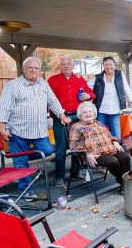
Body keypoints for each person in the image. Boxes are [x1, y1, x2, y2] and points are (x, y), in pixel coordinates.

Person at [0, 57, 70, 200]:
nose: (33, 71)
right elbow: (4, 108)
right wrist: (1, 128)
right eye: (30, 68)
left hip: (39, 130)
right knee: (21, 161)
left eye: (36, 68)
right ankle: (27, 191)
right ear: (24, 69)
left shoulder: (43, 84)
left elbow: (53, 100)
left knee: (48, 150)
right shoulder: (13, 86)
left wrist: (62, 115)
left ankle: (21, 157)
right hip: (18, 131)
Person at [48, 57, 96, 187]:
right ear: (60, 66)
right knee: (61, 149)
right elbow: (46, 98)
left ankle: (75, 172)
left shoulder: (80, 80)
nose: (66, 66)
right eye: (63, 64)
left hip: (76, 118)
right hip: (60, 118)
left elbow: (92, 94)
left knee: (78, 145)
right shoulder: (52, 80)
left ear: (73, 66)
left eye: (68, 64)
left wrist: (88, 96)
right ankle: (59, 177)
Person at [68, 102, 131, 185]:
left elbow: (108, 135)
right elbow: (73, 146)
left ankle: (125, 183)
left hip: (109, 150)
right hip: (93, 155)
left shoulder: (98, 123)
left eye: (90, 112)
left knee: (125, 157)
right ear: (80, 115)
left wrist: (114, 141)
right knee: (113, 161)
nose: (88, 114)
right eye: (85, 112)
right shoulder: (76, 127)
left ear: (94, 114)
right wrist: (87, 153)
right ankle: (124, 183)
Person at [88, 56, 132, 141]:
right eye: (106, 65)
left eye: (110, 64)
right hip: (101, 112)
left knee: (116, 138)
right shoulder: (98, 77)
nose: (108, 67)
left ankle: (116, 154)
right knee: (100, 137)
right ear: (103, 66)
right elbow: (86, 86)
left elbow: (127, 89)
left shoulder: (119, 75)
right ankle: (103, 154)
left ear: (114, 65)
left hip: (115, 112)